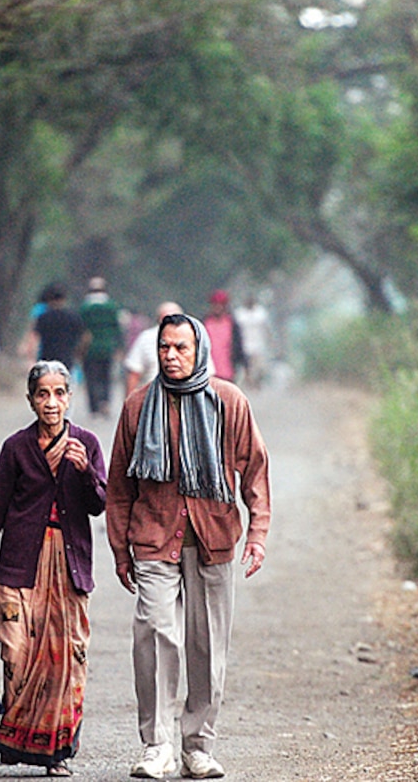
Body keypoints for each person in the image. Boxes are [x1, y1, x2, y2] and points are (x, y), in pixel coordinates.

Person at [106, 314, 271, 780]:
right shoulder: (138, 407)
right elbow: (119, 486)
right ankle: (157, 746)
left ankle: (197, 745)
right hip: (154, 537)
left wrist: (257, 533)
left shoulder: (229, 402)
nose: (171, 356)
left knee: (207, 645)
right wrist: (121, 550)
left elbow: (255, 470)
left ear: (199, 349)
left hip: (213, 537)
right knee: (155, 634)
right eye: (164, 348)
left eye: (181, 347)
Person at [0, 361, 108, 777]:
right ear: (30, 400)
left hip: (68, 564)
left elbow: (100, 503)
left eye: (59, 393)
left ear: (69, 397)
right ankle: (17, 735)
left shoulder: (87, 443)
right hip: (20, 563)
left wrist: (85, 472)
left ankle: (56, 752)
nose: (51, 402)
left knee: (65, 656)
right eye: (42, 394)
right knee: (17, 650)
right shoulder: (16, 448)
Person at [78, 276, 124, 417]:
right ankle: (105, 402)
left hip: (89, 348)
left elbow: (80, 329)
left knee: (91, 378)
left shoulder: (85, 308)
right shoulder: (112, 306)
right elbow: (117, 329)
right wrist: (120, 347)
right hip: (107, 347)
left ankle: (94, 407)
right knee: (106, 377)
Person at [34, 284, 88, 372]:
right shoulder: (73, 317)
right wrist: (79, 353)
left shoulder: (43, 317)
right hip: (66, 358)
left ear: (49, 300)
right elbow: (86, 337)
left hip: (47, 359)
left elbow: (35, 338)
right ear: (64, 299)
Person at [201, 290, 246, 383]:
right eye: (215, 305)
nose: (217, 308)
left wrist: (243, 364)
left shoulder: (232, 324)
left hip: (228, 371)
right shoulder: (205, 323)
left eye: (220, 305)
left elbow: (238, 345)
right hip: (208, 372)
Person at [233, 295, 272, 390]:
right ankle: (250, 383)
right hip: (244, 344)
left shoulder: (261, 313)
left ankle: (257, 382)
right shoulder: (239, 314)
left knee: (260, 367)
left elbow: (266, 328)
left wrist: (270, 340)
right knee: (247, 367)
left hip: (259, 344)